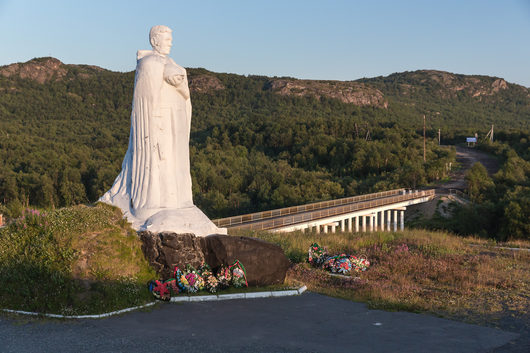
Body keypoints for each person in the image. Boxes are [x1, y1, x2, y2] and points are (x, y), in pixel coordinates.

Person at [100, 25, 224, 236]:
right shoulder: (148, 63)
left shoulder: (171, 63)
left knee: (174, 164)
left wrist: (180, 85)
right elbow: (144, 102)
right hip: (159, 124)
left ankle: (178, 202)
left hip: (175, 121)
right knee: (159, 164)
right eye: (167, 39)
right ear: (155, 41)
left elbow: (184, 95)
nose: (171, 42)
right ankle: (155, 204)